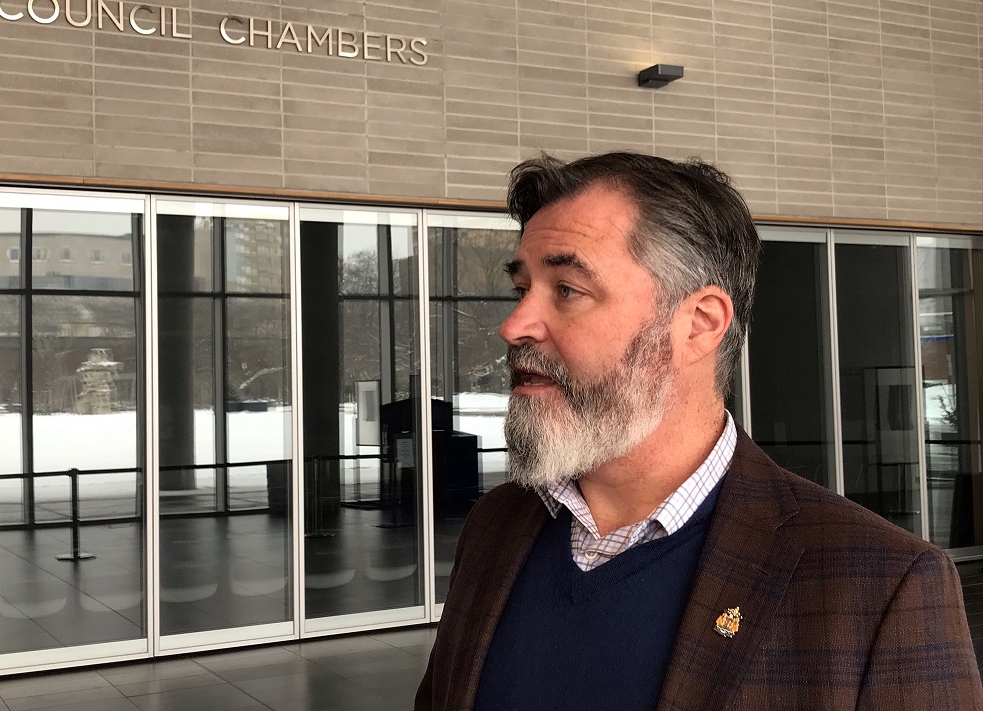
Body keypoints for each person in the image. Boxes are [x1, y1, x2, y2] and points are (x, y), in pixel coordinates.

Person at [415, 151, 982, 710]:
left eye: (567, 289)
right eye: (522, 289)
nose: (514, 325)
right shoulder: (497, 526)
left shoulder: (881, 586)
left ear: (699, 324)